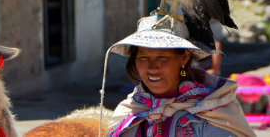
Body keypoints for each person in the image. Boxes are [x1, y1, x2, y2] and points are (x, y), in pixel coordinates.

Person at [104, 15, 255, 137]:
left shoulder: (213, 109)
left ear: (183, 58)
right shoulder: (130, 111)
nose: (152, 67)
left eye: (162, 57)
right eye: (143, 58)